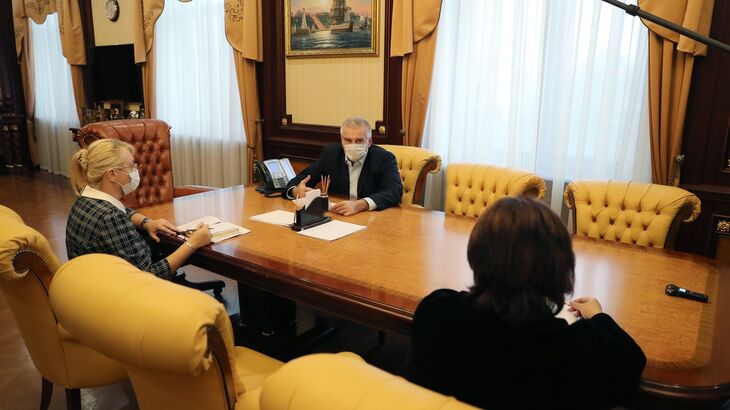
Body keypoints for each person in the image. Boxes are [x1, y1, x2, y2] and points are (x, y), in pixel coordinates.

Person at [407, 196, 646, 410]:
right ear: (558, 269)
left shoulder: (436, 311)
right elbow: (632, 364)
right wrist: (598, 317)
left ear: (476, 254)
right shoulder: (578, 348)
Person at [66, 139, 211, 279]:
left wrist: (146, 222)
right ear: (112, 175)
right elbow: (149, 276)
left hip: (90, 283)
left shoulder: (86, 200)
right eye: (131, 166)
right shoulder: (110, 217)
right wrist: (193, 243)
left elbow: (123, 212)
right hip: (117, 293)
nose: (136, 170)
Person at [283, 117, 403, 216]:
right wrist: (295, 191)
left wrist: (361, 205)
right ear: (341, 141)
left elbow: (394, 191)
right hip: (338, 216)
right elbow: (302, 179)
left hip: (371, 218)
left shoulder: (384, 158)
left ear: (369, 142)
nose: (353, 145)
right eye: (348, 140)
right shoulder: (331, 154)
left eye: (359, 141)